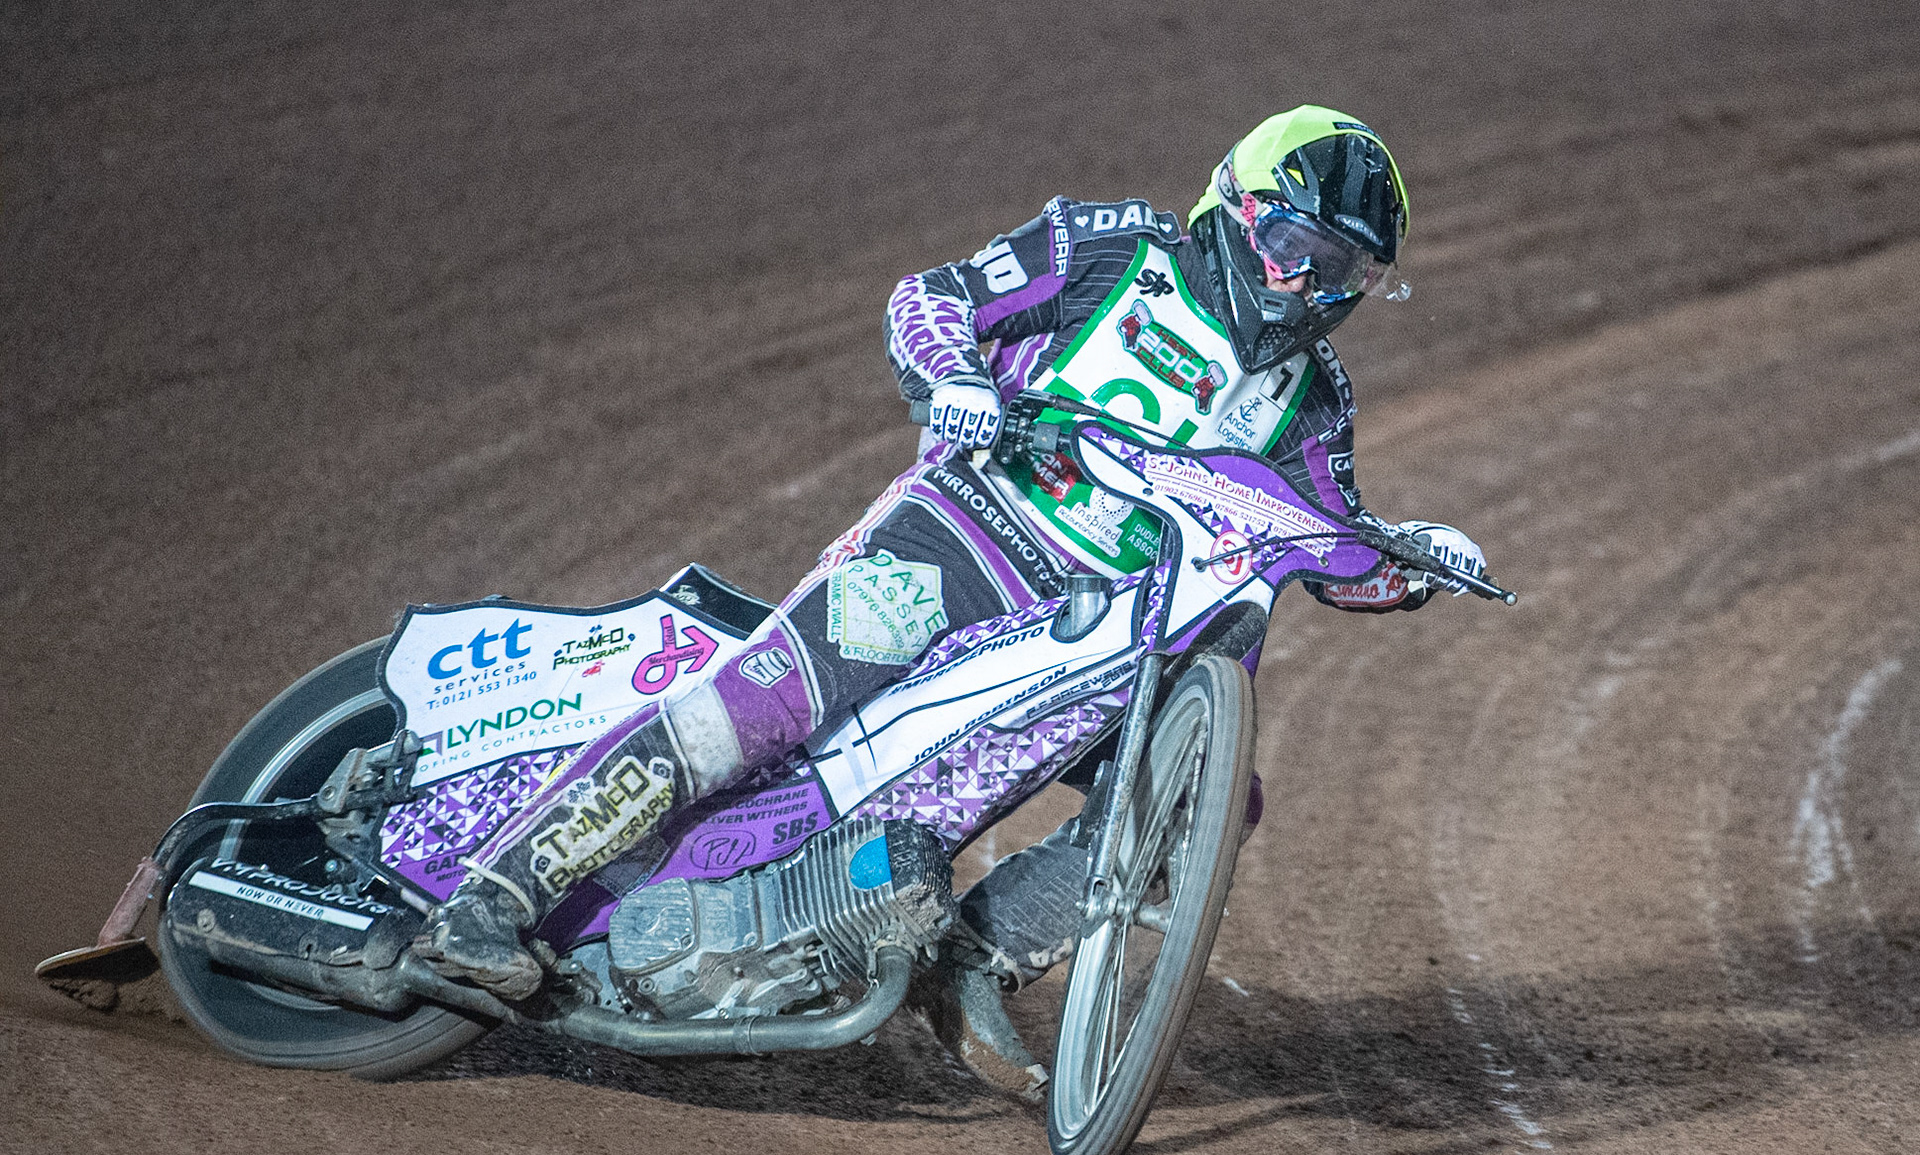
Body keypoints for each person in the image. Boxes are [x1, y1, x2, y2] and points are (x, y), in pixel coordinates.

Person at [414, 105, 1487, 1097]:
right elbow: (932, 297)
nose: (1308, 287)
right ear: (1235, 207)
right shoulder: (1115, 246)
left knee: (1212, 794)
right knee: (765, 706)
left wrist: (1411, 570)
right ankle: (495, 892)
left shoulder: (1315, 404)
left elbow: (1332, 547)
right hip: (958, 540)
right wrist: (959, 382)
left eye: (1342, 271)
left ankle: (968, 955)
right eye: (1296, 249)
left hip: (1100, 640)